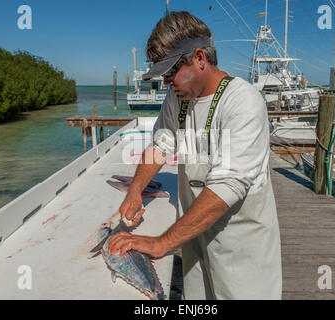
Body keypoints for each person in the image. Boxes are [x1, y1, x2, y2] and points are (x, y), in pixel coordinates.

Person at [108, 11, 282, 299]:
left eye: (170, 72)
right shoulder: (178, 99)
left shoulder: (243, 102)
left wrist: (161, 243)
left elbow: (228, 185)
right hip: (194, 235)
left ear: (200, 58)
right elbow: (161, 145)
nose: (166, 82)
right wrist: (135, 190)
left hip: (242, 247)